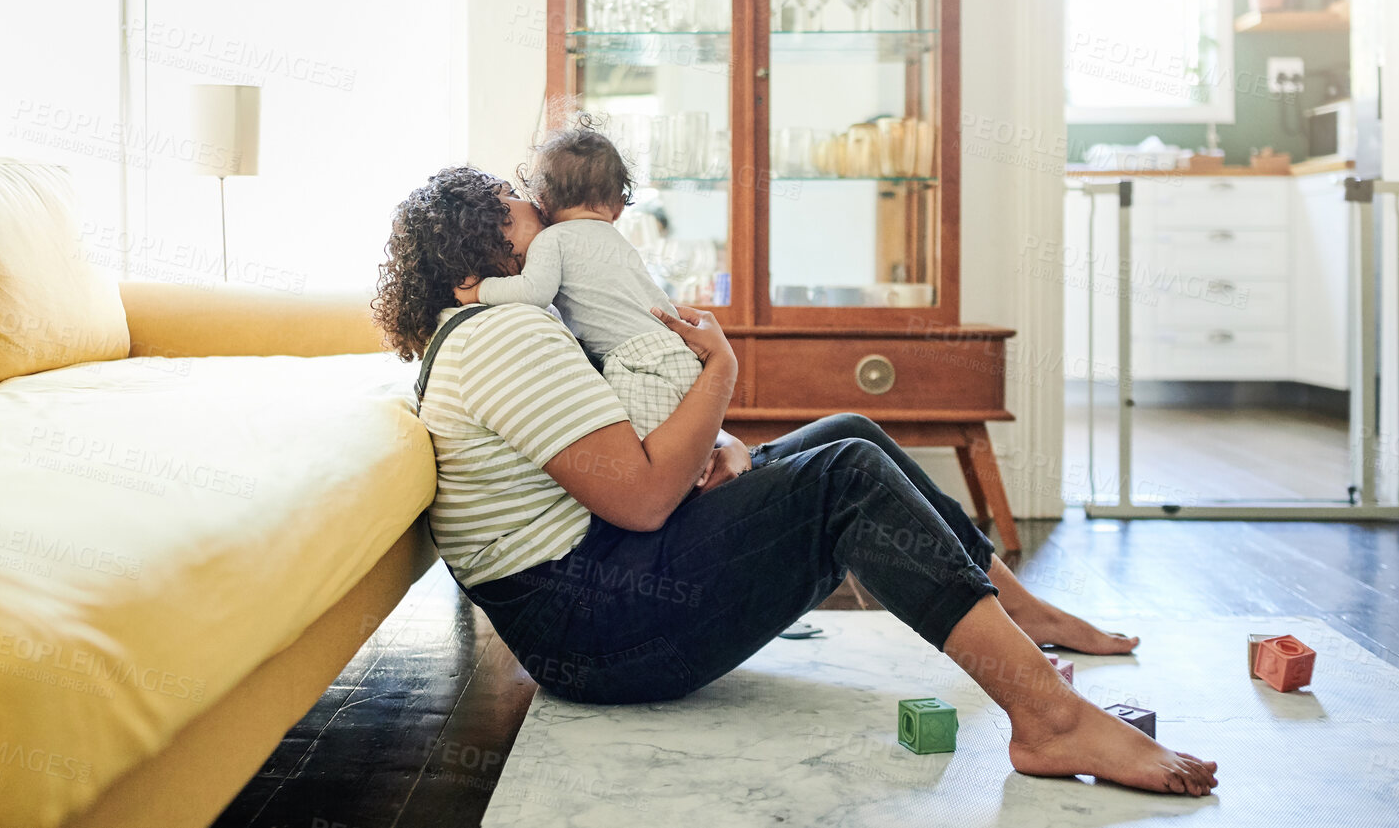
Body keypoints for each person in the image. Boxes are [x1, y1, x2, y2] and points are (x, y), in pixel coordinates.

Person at [372, 166, 1218, 797]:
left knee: (844, 434)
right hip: (596, 635)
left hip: (604, 587)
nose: (562, 243)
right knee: (844, 477)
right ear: (468, 274)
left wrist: (722, 446)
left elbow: (626, 450)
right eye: (536, 232)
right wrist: (721, 372)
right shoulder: (503, 333)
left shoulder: (495, 333)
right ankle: (1050, 721)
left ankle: (1018, 614)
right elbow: (639, 495)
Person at [466, 122, 700, 437]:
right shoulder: (617, 240)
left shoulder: (554, 239)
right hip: (678, 352)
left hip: (637, 364)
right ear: (618, 206)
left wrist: (480, 289)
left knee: (646, 450)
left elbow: (533, 292)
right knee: (689, 437)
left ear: (543, 202)